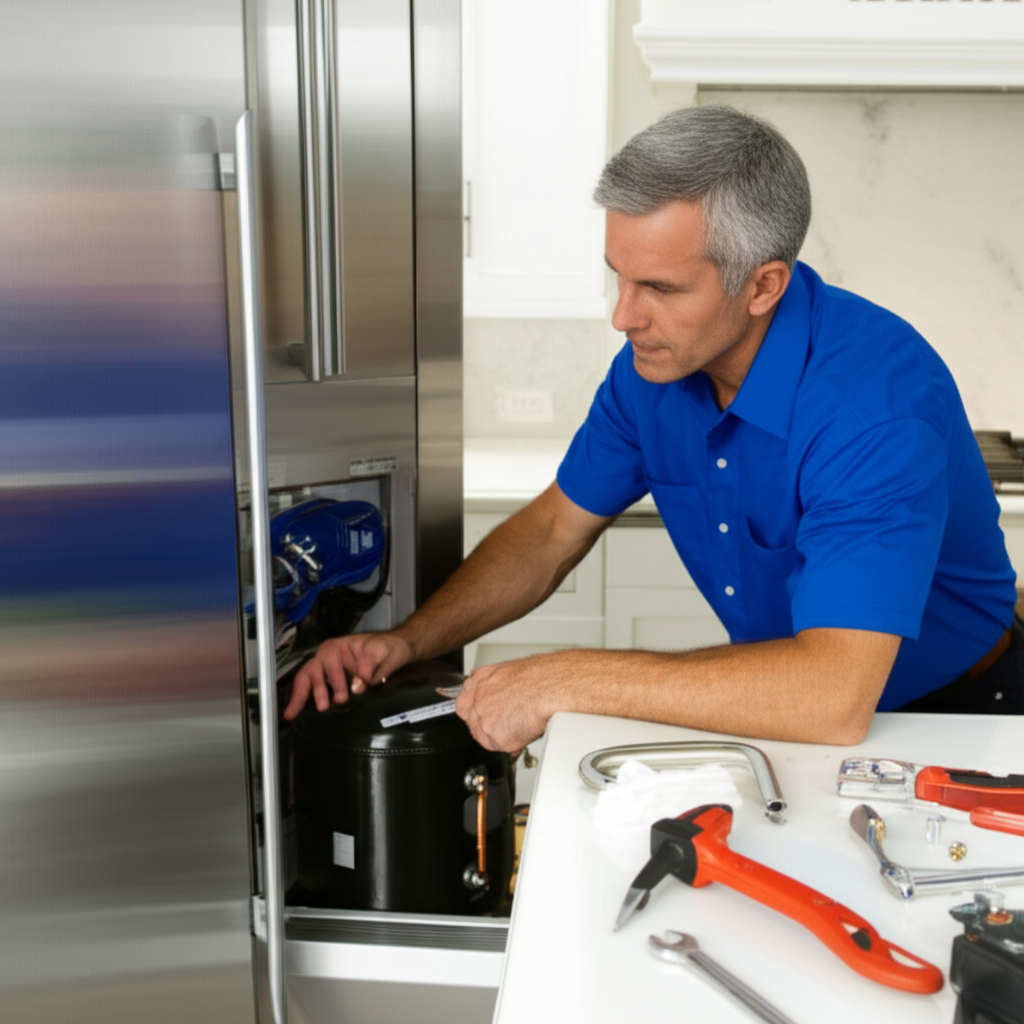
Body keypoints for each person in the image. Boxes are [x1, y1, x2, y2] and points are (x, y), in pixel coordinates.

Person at [284, 104, 1021, 751]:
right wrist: (408, 640)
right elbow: (549, 534)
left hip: (955, 722)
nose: (624, 316)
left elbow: (831, 693)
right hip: (791, 707)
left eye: (661, 288)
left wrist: (563, 678)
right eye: (619, 277)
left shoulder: (874, 407)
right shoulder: (652, 371)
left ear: (763, 285)